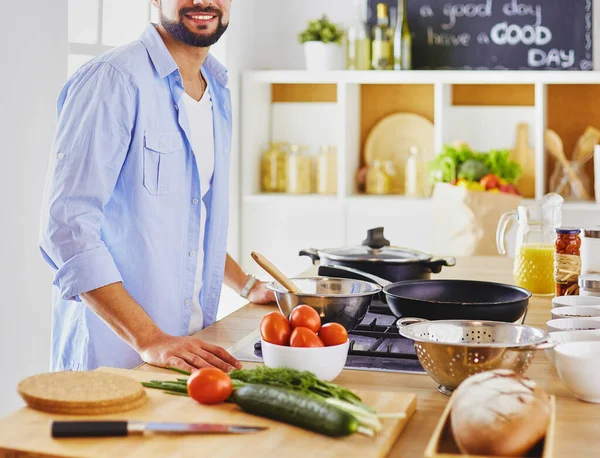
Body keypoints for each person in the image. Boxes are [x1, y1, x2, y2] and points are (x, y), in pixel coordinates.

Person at [39, 0, 274, 374]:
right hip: (114, 358)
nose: (203, 1)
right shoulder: (113, 79)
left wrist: (245, 285)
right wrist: (150, 339)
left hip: (188, 349)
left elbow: (189, 217)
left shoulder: (216, 87)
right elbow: (67, 227)